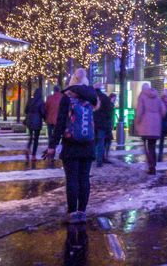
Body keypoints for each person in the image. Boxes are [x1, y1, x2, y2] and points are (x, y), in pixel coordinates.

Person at [43, 69, 100, 223]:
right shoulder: (93, 98)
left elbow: (60, 123)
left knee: (72, 178)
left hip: (71, 144)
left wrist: (52, 145)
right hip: (88, 144)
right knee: (84, 178)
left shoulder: (67, 98)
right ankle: (82, 211)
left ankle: (72, 212)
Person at [133, 83, 166, 174]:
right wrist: (158, 117)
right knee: (152, 146)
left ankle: (150, 166)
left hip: (145, 125)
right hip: (156, 126)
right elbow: (163, 110)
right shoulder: (157, 96)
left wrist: (137, 123)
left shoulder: (142, 96)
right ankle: (153, 165)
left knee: (146, 146)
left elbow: (139, 112)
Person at [93, 83, 114, 167]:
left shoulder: (92, 97)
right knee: (101, 141)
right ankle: (99, 161)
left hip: (93, 123)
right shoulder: (105, 97)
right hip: (102, 123)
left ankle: (92, 157)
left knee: (93, 141)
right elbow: (109, 112)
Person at [24, 87, 45, 162]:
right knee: (36, 139)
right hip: (37, 120)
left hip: (29, 120)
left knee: (30, 136)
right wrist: (44, 118)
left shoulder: (30, 100)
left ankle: (27, 148)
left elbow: (25, 110)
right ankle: (33, 155)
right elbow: (43, 112)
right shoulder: (41, 101)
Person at [44, 86, 64, 165]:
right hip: (58, 121)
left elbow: (46, 108)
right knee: (58, 138)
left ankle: (50, 153)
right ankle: (56, 153)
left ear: (53, 90)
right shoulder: (62, 98)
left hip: (50, 120)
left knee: (50, 138)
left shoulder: (49, 98)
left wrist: (46, 117)